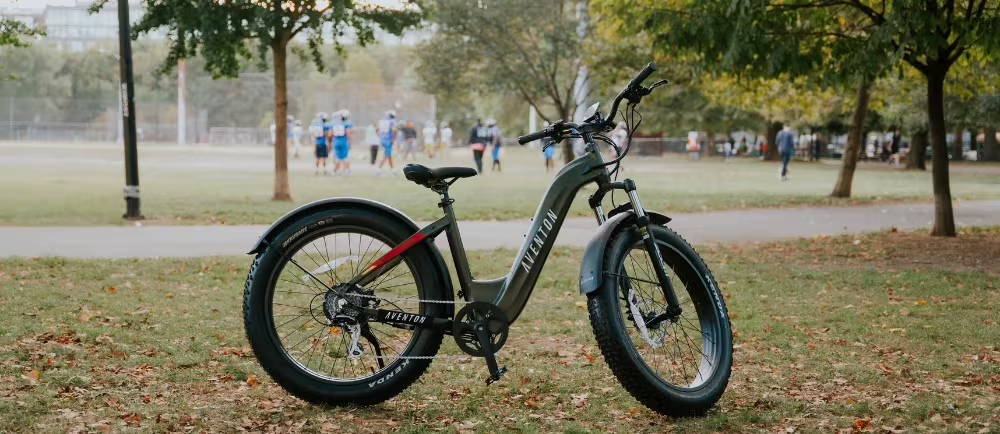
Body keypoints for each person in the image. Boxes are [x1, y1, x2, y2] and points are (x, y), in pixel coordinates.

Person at [331, 110, 353, 175]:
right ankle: (347, 170)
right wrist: (350, 141)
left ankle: (336, 171)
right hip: (343, 141)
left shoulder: (334, 123)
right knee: (345, 157)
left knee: (338, 157)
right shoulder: (347, 123)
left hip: (336, 141)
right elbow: (348, 133)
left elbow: (331, 133)